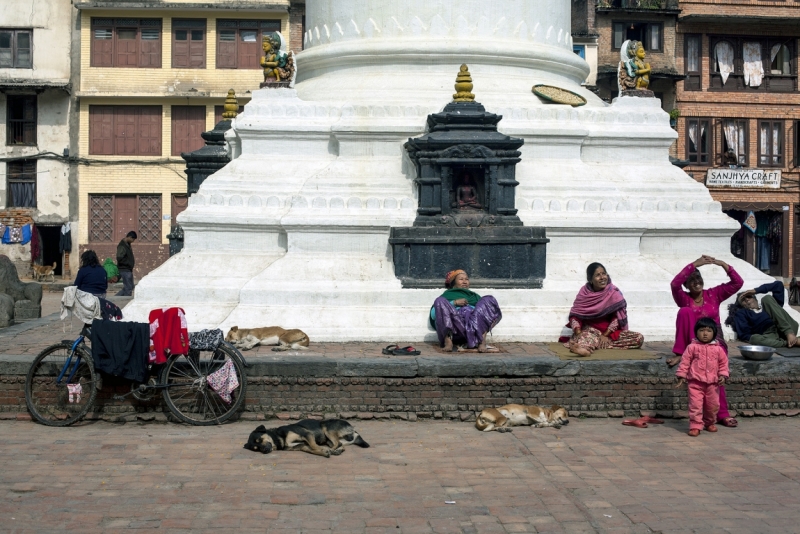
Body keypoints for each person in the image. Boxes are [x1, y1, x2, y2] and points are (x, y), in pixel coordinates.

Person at [670, 254, 742, 428]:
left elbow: (737, 283)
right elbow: (674, 284)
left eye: (698, 278)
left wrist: (722, 264)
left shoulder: (714, 294)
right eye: (691, 280)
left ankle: (722, 414)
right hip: (692, 344)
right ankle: (681, 353)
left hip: (714, 343)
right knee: (684, 312)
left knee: (718, 372)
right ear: (686, 285)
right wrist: (694, 264)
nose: (695, 282)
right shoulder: (684, 298)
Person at [561, 262, 644, 357]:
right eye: (597, 275)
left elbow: (617, 317)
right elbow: (575, 315)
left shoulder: (613, 292)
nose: (602, 278)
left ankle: (596, 343)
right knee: (587, 337)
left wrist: (605, 335)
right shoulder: (584, 293)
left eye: (603, 274)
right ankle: (585, 349)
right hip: (590, 330)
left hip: (608, 333)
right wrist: (578, 332)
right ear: (590, 279)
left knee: (638, 338)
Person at [675, 318, 729, 437]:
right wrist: (681, 376)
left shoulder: (718, 349)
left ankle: (709, 422)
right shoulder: (691, 347)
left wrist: (723, 375)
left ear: (714, 333)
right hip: (695, 383)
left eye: (709, 331)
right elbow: (685, 362)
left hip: (713, 384)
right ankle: (695, 425)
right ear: (696, 332)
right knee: (695, 405)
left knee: (712, 405)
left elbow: (723, 364)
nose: (705, 333)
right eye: (701, 330)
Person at [430, 270, 502, 353]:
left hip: (474, 327)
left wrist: (472, 312)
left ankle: (481, 340)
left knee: (489, 299)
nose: (464, 282)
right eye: (461, 279)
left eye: (466, 279)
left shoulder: (475, 297)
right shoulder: (446, 296)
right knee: (439, 301)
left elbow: (488, 314)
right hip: (456, 329)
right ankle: (448, 341)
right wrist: (454, 303)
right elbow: (433, 315)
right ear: (453, 282)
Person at [726, 281, 798, 348]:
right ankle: (793, 342)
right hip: (771, 336)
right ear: (742, 305)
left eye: (748, 297)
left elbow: (778, 285)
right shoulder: (743, 313)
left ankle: (789, 334)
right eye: (743, 300)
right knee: (754, 339)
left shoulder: (769, 306)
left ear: (754, 298)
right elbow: (744, 334)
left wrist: (756, 290)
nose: (746, 300)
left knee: (766, 298)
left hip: (789, 327)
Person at [115, 231, 137, 297]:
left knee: (130, 286)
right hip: (124, 269)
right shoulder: (122, 245)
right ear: (129, 237)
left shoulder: (127, 244)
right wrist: (128, 263)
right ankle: (126, 301)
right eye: (133, 239)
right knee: (128, 287)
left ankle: (117, 297)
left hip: (128, 269)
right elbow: (119, 257)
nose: (133, 241)